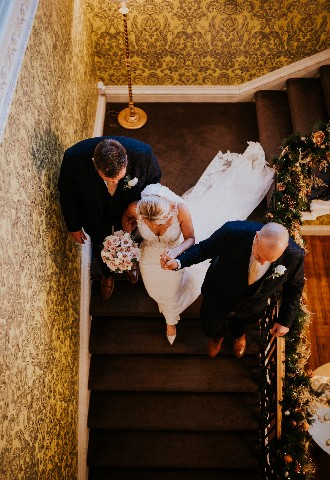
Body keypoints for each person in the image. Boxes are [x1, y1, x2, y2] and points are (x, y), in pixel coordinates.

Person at [122, 141, 276, 344]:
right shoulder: (136, 208)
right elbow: (126, 220)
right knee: (153, 288)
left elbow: (191, 239)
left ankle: (170, 319)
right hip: (148, 257)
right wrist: (127, 243)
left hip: (174, 254)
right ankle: (168, 312)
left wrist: (176, 251)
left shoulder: (179, 209)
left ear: (168, 210)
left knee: (171, 289)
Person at [162, 221, 305, 358]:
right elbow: (204, 249)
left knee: (245, 322)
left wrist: (285, 320)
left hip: (254, 303)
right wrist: (179, 262)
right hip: (220, 290)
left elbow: (294, 286)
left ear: (285, 247)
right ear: (256, 237)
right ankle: (217, 337)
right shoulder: (233, 232)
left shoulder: (295, 256)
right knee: (211, 322)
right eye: (259, 255)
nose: (262, 262)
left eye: (270, 260)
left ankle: (239, 335)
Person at [58, 136, 162, 299]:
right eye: (108, 179)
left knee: (130, 235)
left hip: (128, 211)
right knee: (100, 241)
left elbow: (154, 181)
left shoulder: (144, 154)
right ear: (94, 162)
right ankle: (107, 273)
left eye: (118, 178)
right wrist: (74, 226)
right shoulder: (73, 158)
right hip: (93, 213)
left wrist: (138, 209)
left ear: (126, 159)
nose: (114, 182)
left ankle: (130, 260)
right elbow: (67, 194)